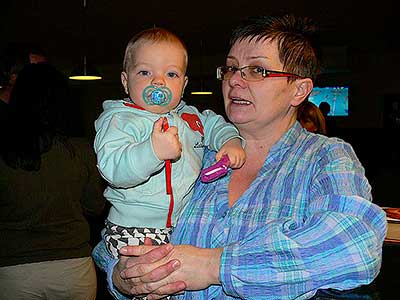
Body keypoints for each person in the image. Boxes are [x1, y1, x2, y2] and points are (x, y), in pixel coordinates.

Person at [95, 14, 387, 300]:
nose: (235, 80)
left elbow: (355, 247)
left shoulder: (325, 157)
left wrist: (214, 266)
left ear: (299, 90)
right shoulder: (193, 148)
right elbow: (119, 232)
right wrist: (122, 277)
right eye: (232, 68)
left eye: (257, 70)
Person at [92, 27, 245, 265]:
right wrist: (151, 152)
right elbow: (113, 169)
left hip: (181, 226)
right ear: (125, 81)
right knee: (151, 281)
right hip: (133, 228)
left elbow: (216, 125)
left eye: (171, 74)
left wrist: (231, 141)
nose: (158, 81)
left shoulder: (190, 117)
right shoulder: (120, 120)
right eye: (145, 72)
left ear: (183, 85)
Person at [0, 63, 106, 299]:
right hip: (72, 266)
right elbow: (95, 205)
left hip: (13, 268)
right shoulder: (78, 149)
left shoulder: (4, 152)